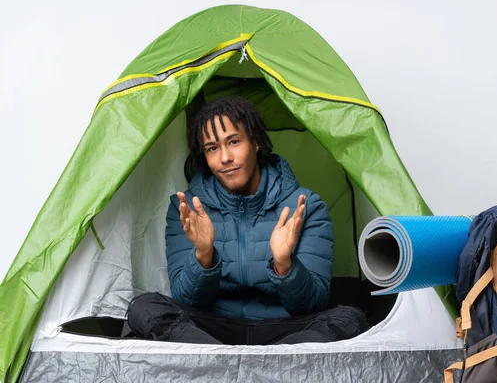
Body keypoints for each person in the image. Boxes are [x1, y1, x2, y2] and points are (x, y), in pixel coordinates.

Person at [127, 97, 369, 345]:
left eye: (233, 142)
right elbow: (187, 301)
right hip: (212, 332)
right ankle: (242, 365)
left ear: (255, 142)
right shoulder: (187, 209)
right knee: (143, 308)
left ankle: (240, 367)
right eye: (212, 148)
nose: (224, 158)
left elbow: (312, 304)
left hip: (284, 331)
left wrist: (284, 264)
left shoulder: (305, 206)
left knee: (350, 319)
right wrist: (203, 255)